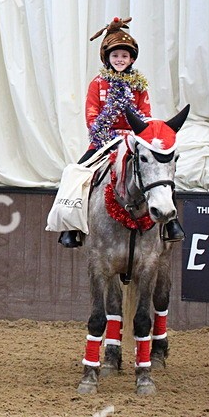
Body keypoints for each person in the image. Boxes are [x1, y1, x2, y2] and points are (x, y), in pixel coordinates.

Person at [58, 16, 151, 248]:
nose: (120, 59)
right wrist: (107, 136)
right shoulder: (97, 84)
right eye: (116, 55)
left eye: (124, 56)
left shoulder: (139, 85)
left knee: (160, 172)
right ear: (108, 58)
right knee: (74, 173)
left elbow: (146, 115)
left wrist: (136, 135)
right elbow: (91, 117)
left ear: (131, 59)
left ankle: (171, 224)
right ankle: (70, 228)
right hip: (104, 142)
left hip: (133, 140)